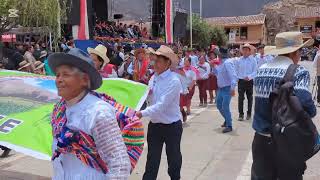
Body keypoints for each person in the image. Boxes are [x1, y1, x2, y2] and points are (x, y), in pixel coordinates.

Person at [48, 48, 131, 180]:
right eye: (58, 75)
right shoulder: (59, 110)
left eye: (66, 74)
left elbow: (119, 165)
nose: (59, 80)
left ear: (84, 80)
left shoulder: (98, 112)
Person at [251, 32, 317, 180]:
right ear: (295, 52)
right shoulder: (299, 71)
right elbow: (306, 106)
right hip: (287, 142)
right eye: (300, 51)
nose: (301, 55)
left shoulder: (261, 70)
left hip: (261, 141)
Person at [135, 45, 182, 180]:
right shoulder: (153, 78)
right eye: (154, 61)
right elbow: (149, 97)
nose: (154, 64)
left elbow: (161, 105)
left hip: (172, 126)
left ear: (167, 63)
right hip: (155, 125)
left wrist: (141, 113)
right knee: (152, 159)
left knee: (173, 158)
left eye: (158, 61)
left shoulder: (174, 81)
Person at [211, 48, 237, 133]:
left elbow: (233, 76)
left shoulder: (227, 63)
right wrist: (213, 67)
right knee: (219, 105)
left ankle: (229, 125)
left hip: (227, 88)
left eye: (218, 54)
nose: (217, 56)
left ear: (221, 55)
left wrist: (232, 89)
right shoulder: (221, 63)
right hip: (221, 89)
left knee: (225, 106)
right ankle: (227, 119)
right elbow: (216, 73)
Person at [235, 44, 257, 121]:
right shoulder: (239, 60)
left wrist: (250, 76)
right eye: (244, 50)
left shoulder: (253, 60)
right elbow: (236, 70)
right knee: (240, 98)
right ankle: (241, 114)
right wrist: (237, 78)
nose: (245, 51)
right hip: (241, 81)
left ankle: (249, 114)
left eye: (247, 50)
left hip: (249, 81)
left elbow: (255, 71)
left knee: (249, 98)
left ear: (249, 51)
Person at [177, 56, 197, 121]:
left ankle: (188, 109)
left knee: (188, 99)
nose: (185, 62)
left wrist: (191, 87)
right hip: (181, 87)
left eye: (187, 61)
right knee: (180, 102)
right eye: (184, 61)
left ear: (190, 62)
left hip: (189, 86)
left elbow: (194, 80)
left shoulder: (192, 70)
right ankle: (183, 112)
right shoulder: (180, 69)